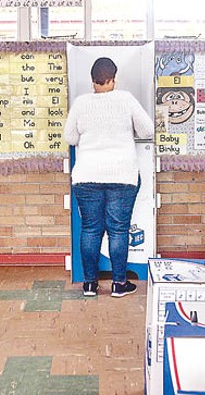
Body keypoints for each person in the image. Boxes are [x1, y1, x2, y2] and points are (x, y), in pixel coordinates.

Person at [64, 57, 154, 297]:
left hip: (86, 176)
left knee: (91, 229)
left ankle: (90, 284)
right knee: (118, 230)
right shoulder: (126, 99)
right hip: (122, 176)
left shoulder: (81, 103)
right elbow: (147, 130)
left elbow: (70, 138)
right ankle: (118, 283)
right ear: (114, 79)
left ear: (92, 81)